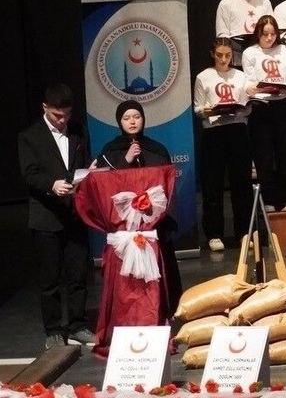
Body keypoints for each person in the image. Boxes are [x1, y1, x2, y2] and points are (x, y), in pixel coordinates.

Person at [18, 83, 94, 349]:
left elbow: (83, 163)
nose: (63, 121)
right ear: (45, 108)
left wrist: (89, 172)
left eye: (67, 115)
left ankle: (78, 325)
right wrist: (51, 185)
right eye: (57, 116)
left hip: (74, 214)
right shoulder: (30, 136)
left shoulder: (78, 130)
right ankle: (52, 330)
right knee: (50, 279)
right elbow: (29, 173)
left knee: (78, 275)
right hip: (46, 217)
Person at [95, 99, 182, 316]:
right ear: (119, 122)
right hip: (124, 226)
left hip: (154, 222)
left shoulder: (157, 149)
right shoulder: (110, 151)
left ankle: (163, 311)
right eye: (126, 118)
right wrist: (126, 160)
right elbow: (106, 187)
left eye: (136, 117)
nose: (132, 122)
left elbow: (167, 186)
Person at [192, 38, 253, 252]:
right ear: (212, 54)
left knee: (242, 184)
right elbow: (197, 108)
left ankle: (244, 232)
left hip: (237, 131)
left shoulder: (241, 76)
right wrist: (206, 110)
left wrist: (242, 108)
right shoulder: (203, 76)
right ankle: (214, 233)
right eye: (220, 55)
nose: (224, 59)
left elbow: (247, 106)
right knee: (212, 184)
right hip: (214, 132)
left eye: (228, 55)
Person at [241, 14, 286, 211]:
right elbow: (249, 82)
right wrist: (258, 88)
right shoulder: (250, 52)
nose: (269, 38)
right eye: (265, 34)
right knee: (264, 156)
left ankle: (285, 199)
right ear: (258, 33)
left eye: (273, 34)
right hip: (261, 108)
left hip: (283, 105)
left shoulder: (285, 50)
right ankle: (268, 200)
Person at [215, 0, 273, 67]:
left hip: (261, 59)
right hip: (237, 60)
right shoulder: (226, 4)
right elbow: (222, 36)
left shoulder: (265, 2)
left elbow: (271, 30)